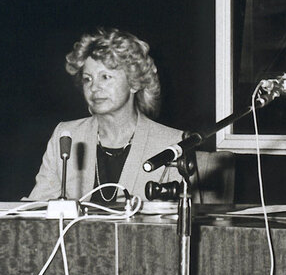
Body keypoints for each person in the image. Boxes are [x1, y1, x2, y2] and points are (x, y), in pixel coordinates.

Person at [27, 28, 183, 203]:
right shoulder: (66, 136)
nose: (94, 88)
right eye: (87, 79)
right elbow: (35, 210)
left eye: (105, 77)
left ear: (134, 83)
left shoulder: (172, 143)